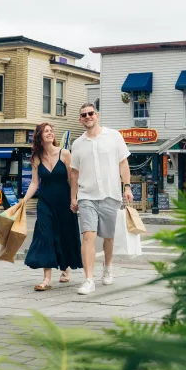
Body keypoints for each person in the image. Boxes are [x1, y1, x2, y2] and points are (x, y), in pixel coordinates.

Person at [70, 103, 133, 295]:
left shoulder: (114, 136)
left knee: (108, 237)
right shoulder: (77, 144)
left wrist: (127, 186)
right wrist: (73, 197)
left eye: (90, 113)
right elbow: (74, 173)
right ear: (80, 119)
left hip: (110, 194)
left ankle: (108, 266)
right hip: (87, 196)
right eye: (84, 115)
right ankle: (89, 279)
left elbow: (123, 163)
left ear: (97, 115)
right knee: (87, 235)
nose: (88, 117)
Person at [22, 122, 83, 291]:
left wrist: (73, 199)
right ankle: (47, 278)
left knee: (64, 235)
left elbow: (72, 179)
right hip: (45, 202)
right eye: (46, 131)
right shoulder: (36, 158)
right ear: (39, 136)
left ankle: (65, 268)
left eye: (51, 131)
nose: (50, 133)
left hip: (64, 201)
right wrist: (24, 200)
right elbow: (35, 183)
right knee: (45, 235)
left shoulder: (64, 154)